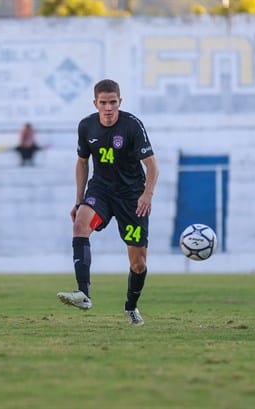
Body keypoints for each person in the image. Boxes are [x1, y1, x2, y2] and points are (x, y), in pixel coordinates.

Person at [56, 79, 159, 326]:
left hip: (131, 198)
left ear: (120, 102)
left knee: (138, 263)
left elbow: (152, 166)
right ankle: (83, 294)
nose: (108, 108)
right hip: (101, 191)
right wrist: (79, 200)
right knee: (80, 225)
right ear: (95, 103)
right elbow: (82, 163)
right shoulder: (86, 126)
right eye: (103, 103)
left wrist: (147, 195)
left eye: (113, 102)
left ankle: (131, 307)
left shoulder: (132, 126)